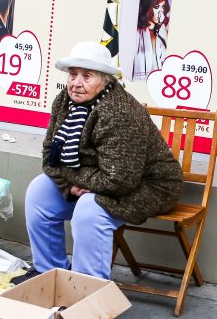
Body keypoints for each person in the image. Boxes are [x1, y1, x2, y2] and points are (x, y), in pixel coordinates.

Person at [22, 41, 184, 280]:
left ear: (105, 80)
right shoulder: (64, 102)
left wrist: (74, 180)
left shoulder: (118, 112)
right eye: (73, 74)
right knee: (40, 190)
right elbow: (50, 157)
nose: (76, 83)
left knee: (89, 209)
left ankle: (86, 290)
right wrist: (70, 186)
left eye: (86, 76)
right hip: (95, 179)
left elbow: (120, 180)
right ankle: (48, 274)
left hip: (148, 186)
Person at [132, 0, 170, 81]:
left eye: (163, 6)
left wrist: (163, 31)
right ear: (147, 7)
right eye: (156, 7)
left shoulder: (162, 31)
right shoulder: (136, 34)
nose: (161, 12)